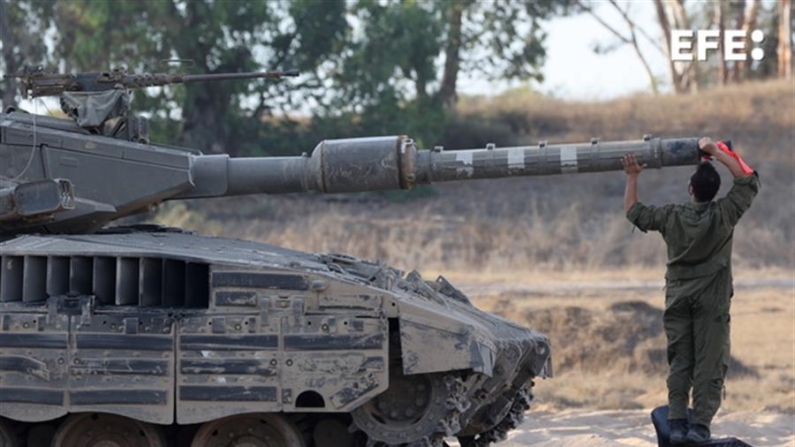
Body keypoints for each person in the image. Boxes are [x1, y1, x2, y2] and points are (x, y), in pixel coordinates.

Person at [620, 137, 759, 444]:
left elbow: (634, 212)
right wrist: (718, 153)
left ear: (690, 190)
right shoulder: (725, 214)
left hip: (678, 298)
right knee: (709, 362)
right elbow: (747, 180)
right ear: (714, 192)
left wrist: (632, 176)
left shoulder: (671, 216)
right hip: (712, 302)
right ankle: (700, 427)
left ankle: (677, 422)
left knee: (681, 361)